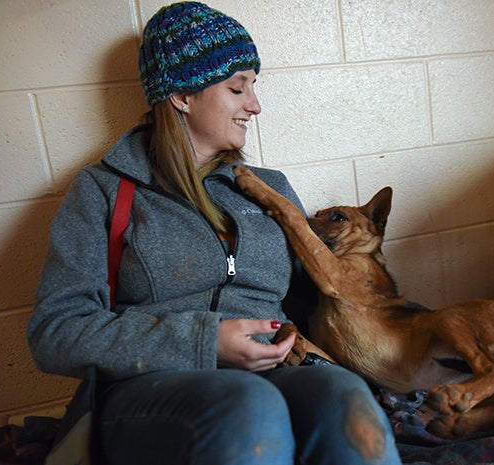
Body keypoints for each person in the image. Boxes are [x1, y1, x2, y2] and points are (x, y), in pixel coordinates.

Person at [27, 2, 402, 464]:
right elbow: (56, 332)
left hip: (275, 368)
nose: (255, 105)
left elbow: (318, 299)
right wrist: (203, 342)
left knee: (345, 398)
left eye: (254, 87)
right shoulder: (103, 191)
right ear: (182, 96)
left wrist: (407, 326)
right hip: (149, 387)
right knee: (248, 406)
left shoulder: (271, 190)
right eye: (236, 87)